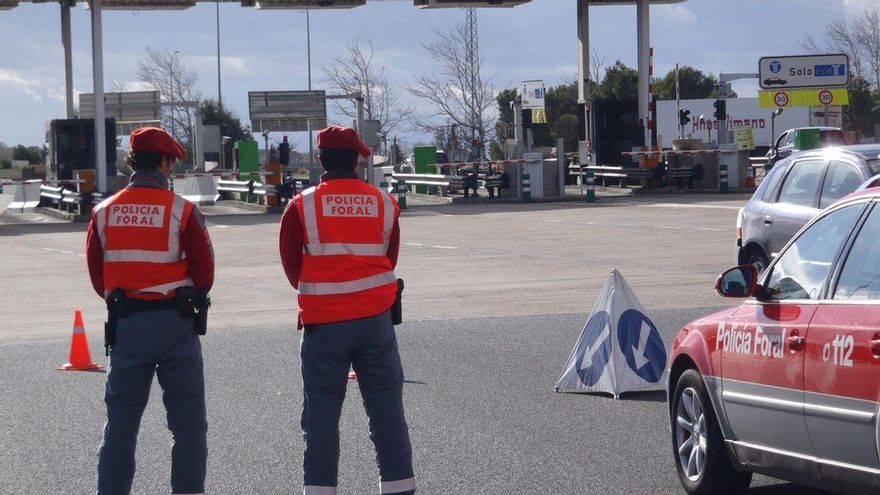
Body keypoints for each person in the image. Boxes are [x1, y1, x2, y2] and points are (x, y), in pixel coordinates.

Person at [279, 126, 415, 495]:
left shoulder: (301, 205)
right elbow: (388, 259)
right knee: (387, 413)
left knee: (321, 418)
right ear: (356, 160)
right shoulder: (384, 203)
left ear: (320, 159)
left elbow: (293, 269)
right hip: (376, 321)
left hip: (324, 323)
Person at [86, 127, 214, 495]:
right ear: (165, 162)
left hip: (127, 325)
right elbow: (204, 273)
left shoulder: (103, 211)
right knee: (188, 427)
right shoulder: (182, 210)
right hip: (176, 324)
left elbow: (97, 275)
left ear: (133, 162)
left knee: (120, 428)